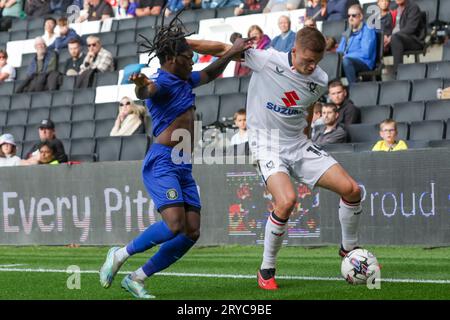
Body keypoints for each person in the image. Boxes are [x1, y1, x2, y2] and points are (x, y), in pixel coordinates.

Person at [188, 26, 364, 291]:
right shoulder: (268, 60)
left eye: (316, 61)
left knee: (352, 190)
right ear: (294, 51)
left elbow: (306, 108)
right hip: (267, 145)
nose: (311, 66)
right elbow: (221, 48)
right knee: (287, 201)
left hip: (298, 144)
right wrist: (183, 42)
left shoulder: (320, 78)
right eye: (306, 60)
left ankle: (349, 249)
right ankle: (266, 268)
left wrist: (305, 139)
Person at [98, 12, 252, 299]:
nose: (192, 60)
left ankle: (136, 277)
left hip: (182, 163)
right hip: (163, 161)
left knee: (191, 231)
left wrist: (230, 54)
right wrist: (140, 82)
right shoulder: (162, 81)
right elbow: (146, 89)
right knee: (174, 225)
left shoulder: (185, 80)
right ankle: (119, 254)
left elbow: (212, 72)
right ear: (171, 59)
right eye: (187, 56)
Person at [337, 4, 377, 84]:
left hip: (364, 62)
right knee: (332, 62)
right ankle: (333, 90)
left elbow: (366, 53)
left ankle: (354, 89)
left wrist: (346, 56)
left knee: (346, 61)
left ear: (361, 16)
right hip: (348, 61)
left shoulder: (368, 29)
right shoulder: (347, 32)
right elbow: (339, 51)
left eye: (353, 15)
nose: (350, 18)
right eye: (349, 16)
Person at [385, 0, 425, 73]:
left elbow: (410, 29)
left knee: (395, 38)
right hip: (394, 39)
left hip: (413, 40)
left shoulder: (413, 7)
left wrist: (391, 37)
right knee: (377, 40)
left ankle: (398, 72)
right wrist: (385, 37)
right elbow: (387, 27)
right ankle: (372, 77)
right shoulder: (393, 8)